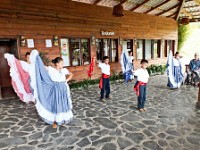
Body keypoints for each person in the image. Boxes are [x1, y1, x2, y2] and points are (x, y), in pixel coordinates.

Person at [29, 50, 73, 128]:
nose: (63, 64)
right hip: (56, 89)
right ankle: (55, 120)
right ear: (57, 63)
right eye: (61, 63)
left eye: (63, 63)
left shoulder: (64, 70)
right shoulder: (51, 69)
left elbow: (71, 74)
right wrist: (37, 58)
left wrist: (66, 81)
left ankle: (63, 118)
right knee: (56, 104)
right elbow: (42, 67)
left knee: (63, 103)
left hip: (63, 89)